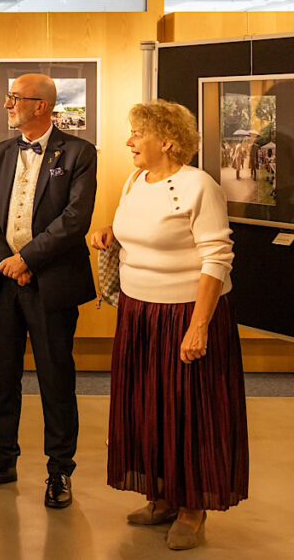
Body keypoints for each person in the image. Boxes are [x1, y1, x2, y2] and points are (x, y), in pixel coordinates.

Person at [91, 100, 248, 552]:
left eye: (137, 134)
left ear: (167, 140)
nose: (129, 142)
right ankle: (160, 496)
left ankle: (192, 509)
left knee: (189, 410)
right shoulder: (136, 180)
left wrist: (199, 327)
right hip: (139, 312)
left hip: (185, 313)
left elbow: (217, 257)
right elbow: (140, 229)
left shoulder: (200, 186)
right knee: (147, 404)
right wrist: (109, 232)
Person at [0, 73, 97, 508]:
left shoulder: (80, 152)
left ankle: (60, 469)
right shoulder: (1, 152)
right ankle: (2, 459)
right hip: (4, 282)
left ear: (40, 105)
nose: (8, 104)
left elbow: (75, 219)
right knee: (3, 378)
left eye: (15, 98)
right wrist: (7, 259)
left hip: (52, 285)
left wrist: (29, 259)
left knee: (55, 379)